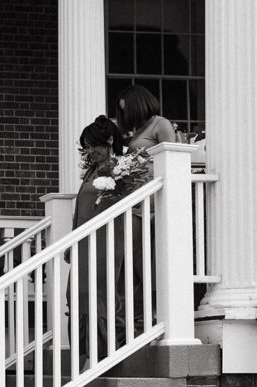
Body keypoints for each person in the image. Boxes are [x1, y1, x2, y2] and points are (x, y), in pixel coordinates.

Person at [69, 115, 144, 366]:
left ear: (110, 140)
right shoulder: (91, 169)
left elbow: (129, 205)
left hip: (106, 239)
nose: (90, 151)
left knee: (101, 292)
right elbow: (80, 206)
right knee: (77, 292)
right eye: (87, 146)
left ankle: (102, 354)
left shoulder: (123, 167)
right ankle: (83, 354)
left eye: (94, 145)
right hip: (83, 238)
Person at [116, 84, 177, 151]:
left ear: (139, 106)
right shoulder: (138, 128)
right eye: (123, 111)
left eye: (127, 111)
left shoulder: (161, 124)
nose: (125, 115)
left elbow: (170, 156)